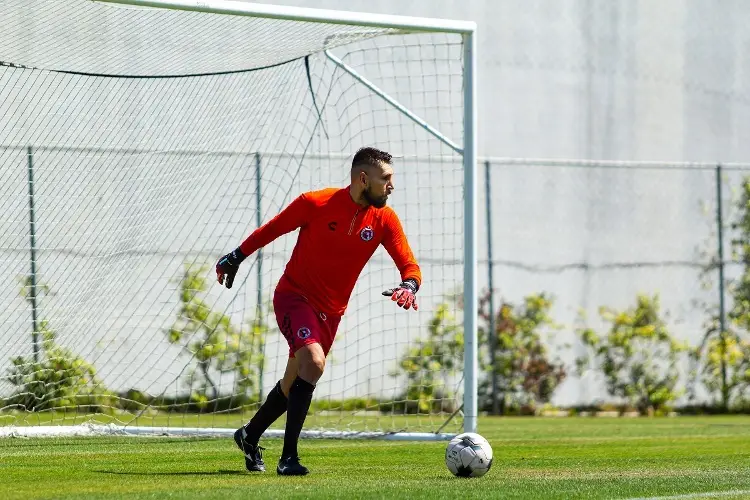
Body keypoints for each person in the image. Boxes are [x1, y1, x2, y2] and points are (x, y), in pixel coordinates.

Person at [215, 147, 422, 476]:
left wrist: (409, 286)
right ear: (363, 178)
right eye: (386, 179)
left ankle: (249, 435)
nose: (391, 186)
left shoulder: (385, 220)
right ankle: (288, 458)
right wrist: (235, 257)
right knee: (313, 362)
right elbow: (272, 229)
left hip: (331, 312)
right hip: (294, 297)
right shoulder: (316, 203)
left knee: (293, 381)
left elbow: (409, 265)